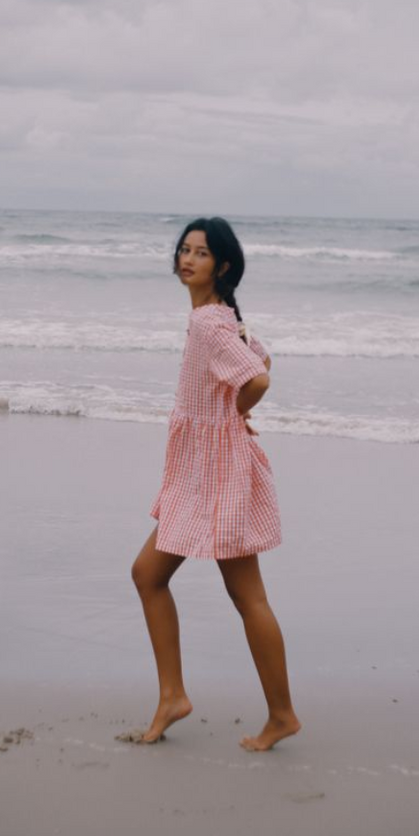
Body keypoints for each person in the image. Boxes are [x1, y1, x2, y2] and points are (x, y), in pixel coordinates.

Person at [131, 216, 301, 751]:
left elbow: (258, 377)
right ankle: (179, 697)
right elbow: (259, 355)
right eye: (184, 249)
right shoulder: (220, 317)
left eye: (201, 253)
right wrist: (233, 413)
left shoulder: (208, 324)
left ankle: (271, 713)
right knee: (165, 578)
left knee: (230, 593)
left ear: (222, 266)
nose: (187, 259)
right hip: (209, 469)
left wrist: (233, 413)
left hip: (214, 473)